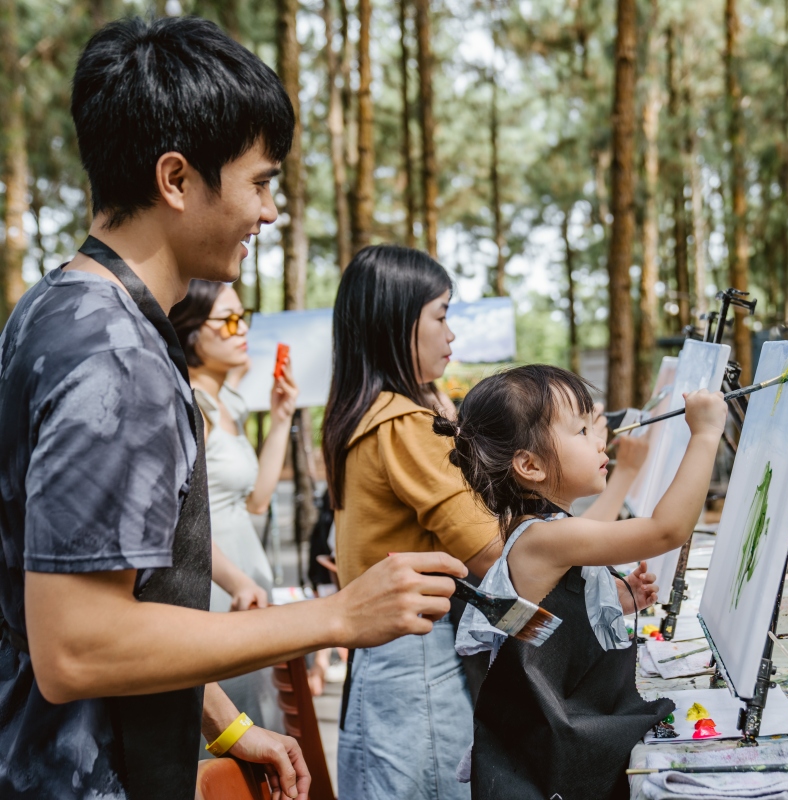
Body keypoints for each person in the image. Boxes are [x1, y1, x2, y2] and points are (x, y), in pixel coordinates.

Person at [0, 17, 465, 800]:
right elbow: (76, 645)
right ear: (176, 180)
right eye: (260, 182)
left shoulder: (53, 311)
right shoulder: (116, 356)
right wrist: (336, 618)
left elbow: (114, 595)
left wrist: (225, 721)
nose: (270, 213)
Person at [322, 246, 660, 799]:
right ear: (395, 325)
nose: (451, 334)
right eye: (441, 314)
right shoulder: (405, 425)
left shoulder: (367, 416)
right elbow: (497, 557)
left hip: (394, 662)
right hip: (421, 668)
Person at [438, 365, 727, 799]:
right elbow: (667, 530)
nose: (600, 439)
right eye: (581, 430)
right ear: (530, 465)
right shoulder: (543, 537)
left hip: (547, 754)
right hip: (548, 767)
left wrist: (611, 602)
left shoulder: (537, 529)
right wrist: (704, 436)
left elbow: (537, 626)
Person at [170, 279, 300, 735]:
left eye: (242, 317)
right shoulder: (190, 408)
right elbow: (176, 522)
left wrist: (281, 419)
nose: (241, 329)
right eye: (227, 320)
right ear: (189, 333)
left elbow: (257, 501)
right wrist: (238, 580)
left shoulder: (227, 403)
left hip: (247, 589)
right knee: (229, 734)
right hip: (218, 590)